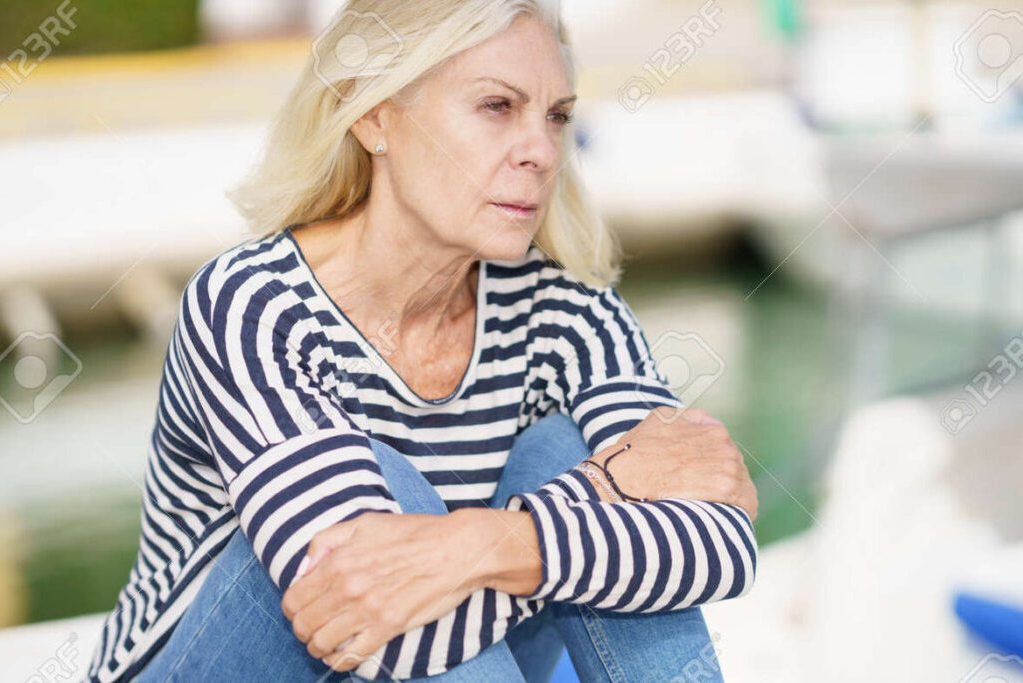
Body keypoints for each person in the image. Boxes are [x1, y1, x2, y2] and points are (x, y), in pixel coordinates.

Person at [86, 1, 759, 680]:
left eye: (556, 116)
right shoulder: (256, 304)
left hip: (461, 644)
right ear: (375, 116)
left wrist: (484, 543)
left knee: (563, 448)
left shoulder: (565, 310)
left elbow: (723, 542)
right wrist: (603, 495)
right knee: (384, 495)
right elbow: (367, 618)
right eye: (497, 106)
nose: (542, 151)